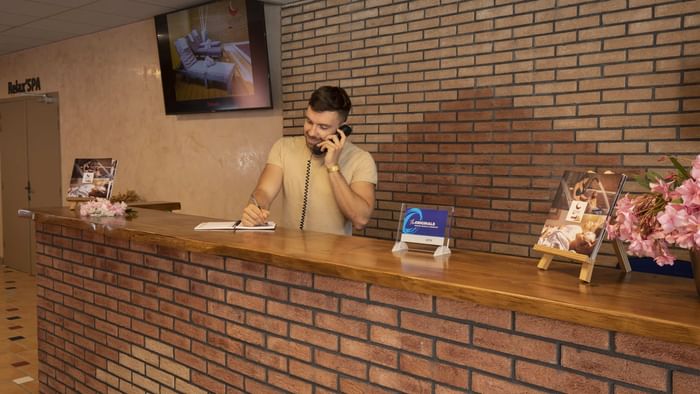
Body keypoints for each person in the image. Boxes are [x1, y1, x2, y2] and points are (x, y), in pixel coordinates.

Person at [241, 86, 377, 235]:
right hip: (288, 253)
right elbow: (264, 191)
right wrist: (255, 209)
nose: (312, 132)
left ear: (341, 130)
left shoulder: (361, 159)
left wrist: (332, 166)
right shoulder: (283, 147)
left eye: (323, 127)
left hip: (334, 257)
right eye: (309, 121)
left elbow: (360, 220)